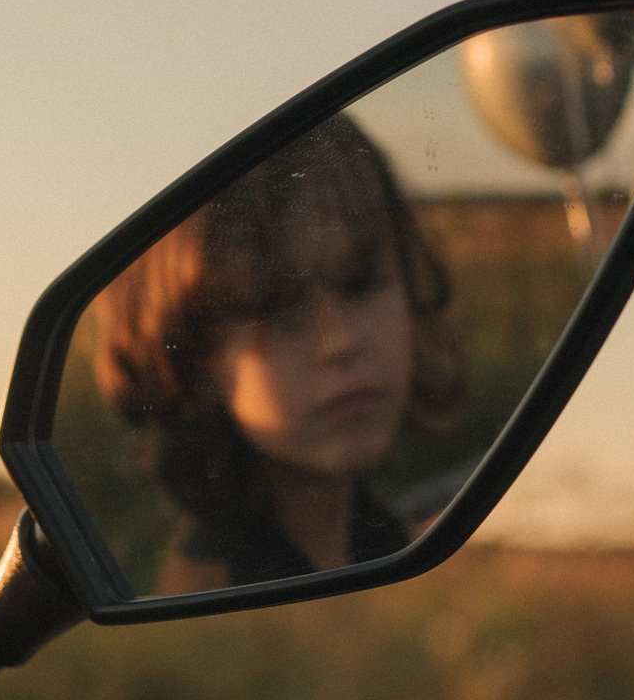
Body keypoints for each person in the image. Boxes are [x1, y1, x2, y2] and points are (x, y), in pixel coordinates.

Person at [89, 110, 462, 593]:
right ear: (198, 359)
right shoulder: (210, 589)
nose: (339, 343)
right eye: (278, 313)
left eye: (361, 284)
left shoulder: (388, 540)